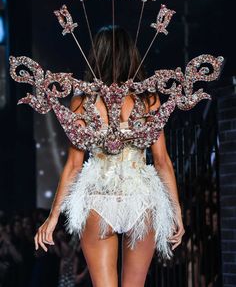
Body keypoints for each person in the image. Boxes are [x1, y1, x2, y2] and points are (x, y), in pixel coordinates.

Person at [33, 26, 185, 287]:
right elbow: (161, 161)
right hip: (141, 201)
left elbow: (73, 165)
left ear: (97, 55)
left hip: (98, 201)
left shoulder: (83, 102)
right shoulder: (149, 100)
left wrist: (53, 216)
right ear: (131, 55)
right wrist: (176, 212)